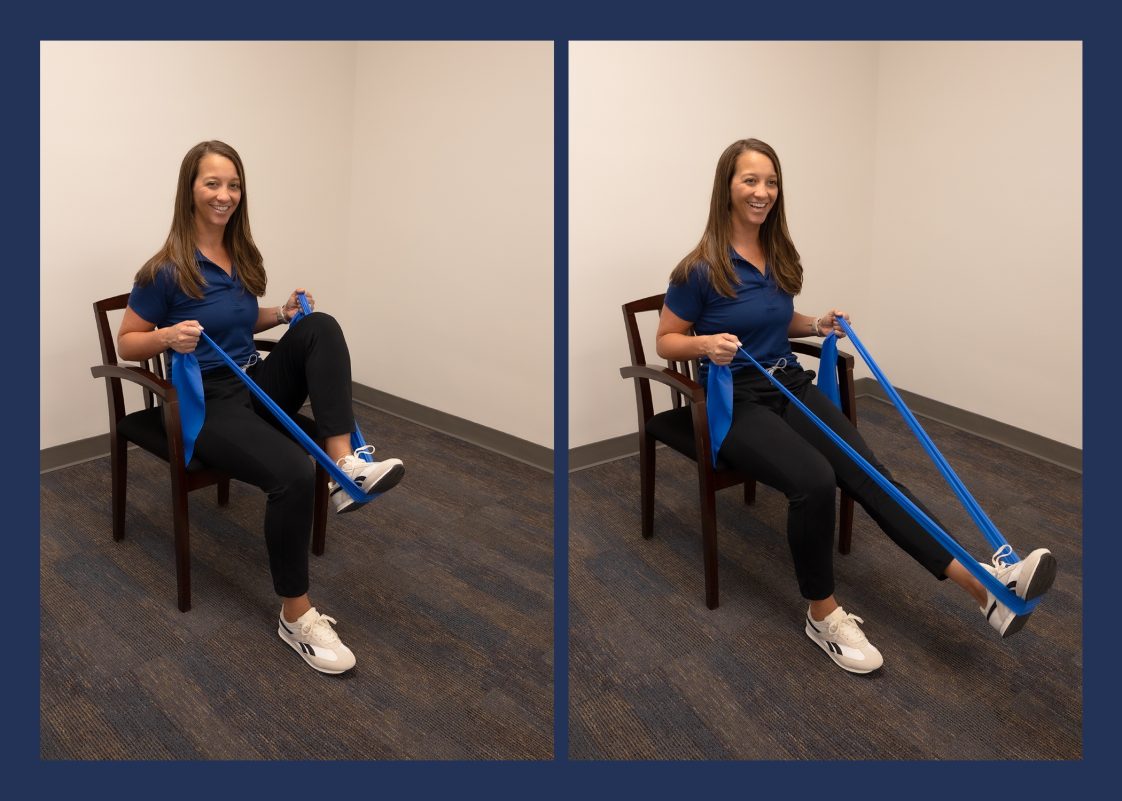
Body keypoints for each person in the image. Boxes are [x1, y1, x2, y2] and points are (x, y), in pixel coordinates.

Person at [655, 138, 1056, 674]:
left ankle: (986, 589)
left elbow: (775, 323)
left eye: (771, 182)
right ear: (726, 187)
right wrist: (705, 344)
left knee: (872, 474)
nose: (762, 192)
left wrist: (816, 323)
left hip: (789, 384)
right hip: (737, 400)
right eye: (750, 180)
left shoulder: (774, 254)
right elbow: (667, 340)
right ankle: (822, 615)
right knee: (815, 480)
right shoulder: (699, 269)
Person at [118, 140, 405, 675]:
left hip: (251, 379)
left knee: (319, 325)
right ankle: (295, 616)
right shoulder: (165, 270)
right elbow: (127, 341)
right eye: (212, 183)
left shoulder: (241, 254)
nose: (224, 195)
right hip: (205, 400)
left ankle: (346, 466)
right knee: (294, 471)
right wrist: (167, 335)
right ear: (190, 190)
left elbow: (235, 323)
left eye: (233, 184)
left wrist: (280, 313)